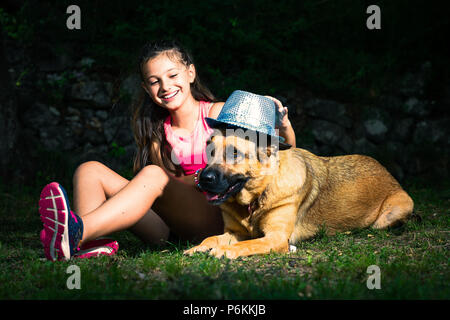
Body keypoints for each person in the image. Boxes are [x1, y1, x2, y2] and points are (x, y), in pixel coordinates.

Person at [38, 40, 297, 261]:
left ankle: (76, 231)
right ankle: (83, 244)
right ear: (146, 89)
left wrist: (284, 128)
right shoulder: (157, 133)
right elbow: (161, 194)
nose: (165, 86)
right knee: (89, 170)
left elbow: (278, 160)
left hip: (220, 216)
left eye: (173, 76)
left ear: (191, 73)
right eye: (154, 81)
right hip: (171, 226)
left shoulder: (218, 115)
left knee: (154, 175)